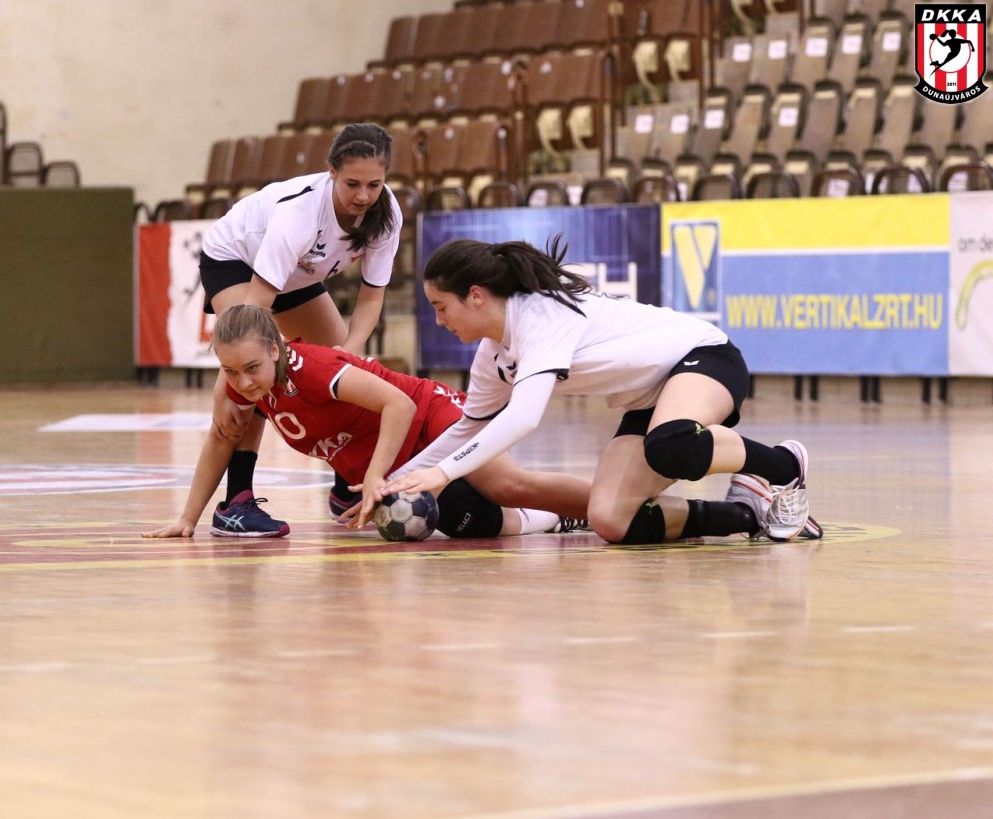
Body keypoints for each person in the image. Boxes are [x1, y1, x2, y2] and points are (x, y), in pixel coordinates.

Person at [381, 236, 822, 545]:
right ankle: (747, 514)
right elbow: (468, 428)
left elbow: (523, 417)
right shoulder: (492, 357)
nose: (438, 320)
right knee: (611, 520)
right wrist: (392, 484)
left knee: (670, 443)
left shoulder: (539, 314)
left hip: (703, 358)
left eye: (441, 307)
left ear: (476, 296)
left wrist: (443, 475)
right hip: (649, 400)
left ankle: (784, 466)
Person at [141, 305, 591, 540]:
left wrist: (376, 478)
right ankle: (555, 519)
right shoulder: (247, 386)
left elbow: (400, 405)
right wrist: (187, 519)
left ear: (275, 350)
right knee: (463, 520)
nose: (243, 381)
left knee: (506, 485)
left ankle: (612, 505)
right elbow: (221, 439)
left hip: (431, 416)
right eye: (230, 372)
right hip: (397, 454)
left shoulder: (313, 369)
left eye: (251, 368)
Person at [198, 123, 403, 538]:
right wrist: (227, 385)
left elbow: (371, 297)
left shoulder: (386, 215)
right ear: (331, 172)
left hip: (297, 277)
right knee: (257, 378)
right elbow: (253, 315)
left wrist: (348, 353)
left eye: (374, 184)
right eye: (352, 184)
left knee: (348, 375)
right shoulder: (301, 213)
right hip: (237, 261)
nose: (363, 196)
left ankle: (348, 484)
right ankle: (235, 503)